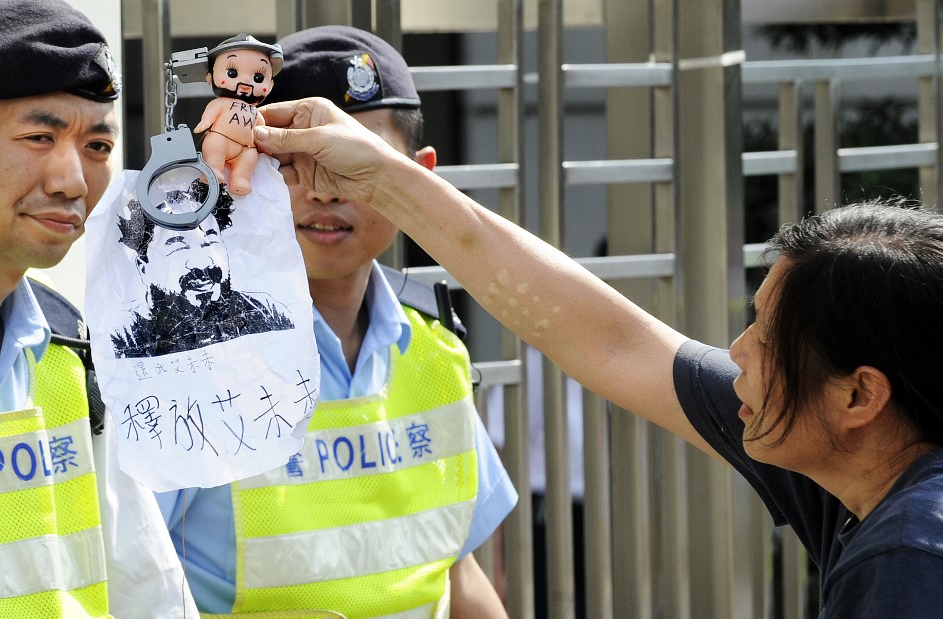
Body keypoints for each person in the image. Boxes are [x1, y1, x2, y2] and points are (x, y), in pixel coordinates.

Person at [255, 96, 943, 615]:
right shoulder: (864, 464)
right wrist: (385, 180)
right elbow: (613, 341)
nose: (736, 352)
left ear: (859, 394)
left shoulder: (909, 556)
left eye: (766, 338)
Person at [156, 26, 516, 617]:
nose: (323, 193)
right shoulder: (185, 357)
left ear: (419, 177)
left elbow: (459, 575)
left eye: (355, 165)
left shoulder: (435, 350)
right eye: (292, 165)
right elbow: (131, 579)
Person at [0, 1, 197, 616]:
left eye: (97, 144)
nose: (73, 180)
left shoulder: (74, 355)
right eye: (39, 137)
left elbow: (149, 596)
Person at [111, 181, 294, 358]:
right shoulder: (126, 336)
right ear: (144, 269)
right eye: (179, 246)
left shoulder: (264, 313)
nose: (202, 262)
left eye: (210, 242)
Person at [195, 34, 283, 196]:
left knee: (249, 158)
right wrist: (205, 123)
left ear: (269, 86)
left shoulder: (255, 111)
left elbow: (261, 128)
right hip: (221, 138)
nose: (245, 82)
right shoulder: (221, 103)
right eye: (232, 73)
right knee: (215, 145)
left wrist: (267, 145)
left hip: (246, 148)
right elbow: (210, 114)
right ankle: (213, 169)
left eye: (258, 78)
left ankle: (241, 179)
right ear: (211, 78)